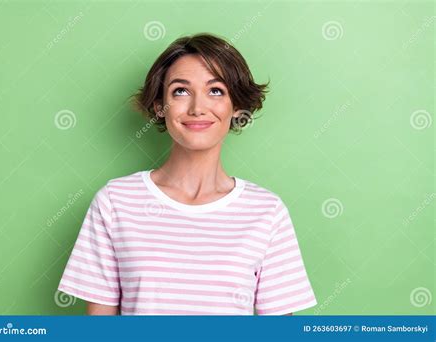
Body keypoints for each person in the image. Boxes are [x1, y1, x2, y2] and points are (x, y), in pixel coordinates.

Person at [57, 33, 317, 315]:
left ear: (236, 108)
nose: (197, 108)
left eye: (215, 91)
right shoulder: (114, 202)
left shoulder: (267, 212)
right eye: (180, 91)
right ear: (159, 106)